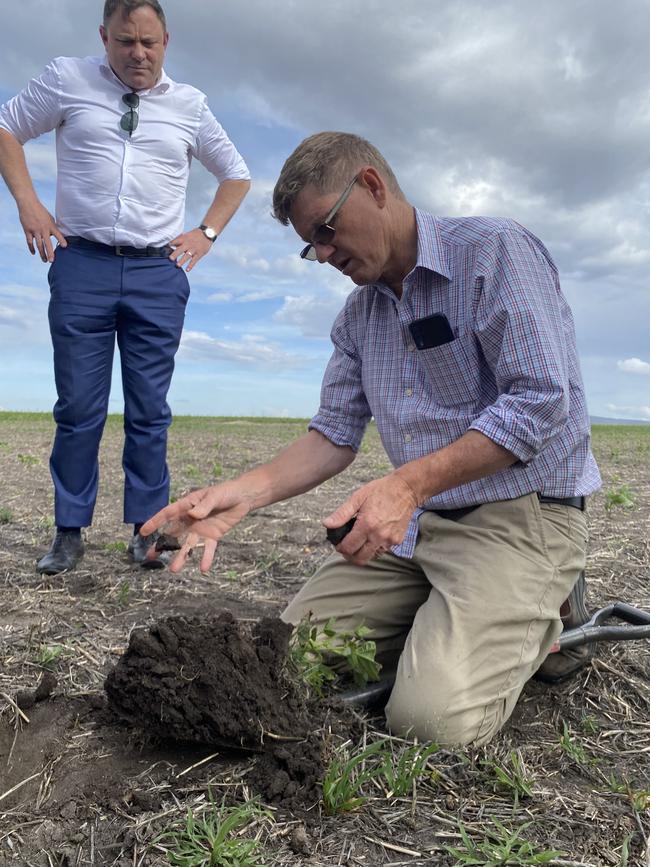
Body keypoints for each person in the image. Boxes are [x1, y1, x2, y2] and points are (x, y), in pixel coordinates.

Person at [140, 132, 601, 747]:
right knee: (290, 655)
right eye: (311, 246)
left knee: (429, 722)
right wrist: (241, 496)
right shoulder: (359, 318)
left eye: (326, 230)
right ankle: (450, 616)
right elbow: (333, 433)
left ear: (373, 187)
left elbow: (541, 403)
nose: (324, 253)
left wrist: (407, 485)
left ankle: (552, 612)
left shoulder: (494, 253)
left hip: (521, 519)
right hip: (415, 530)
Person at [0, 0, 251, 575]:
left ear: (166, 40)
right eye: (125, 41)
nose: (138, 54)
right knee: (78, 408)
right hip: (80, 263)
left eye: (149, 42)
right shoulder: (67, 78)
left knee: (148, 411)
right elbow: (7, 127)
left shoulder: (189, 106)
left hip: (156, 273)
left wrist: (207, 232)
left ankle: (146, 532)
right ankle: (69, 532)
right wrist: (29, 204)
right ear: (104, 37)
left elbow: (235, 172)